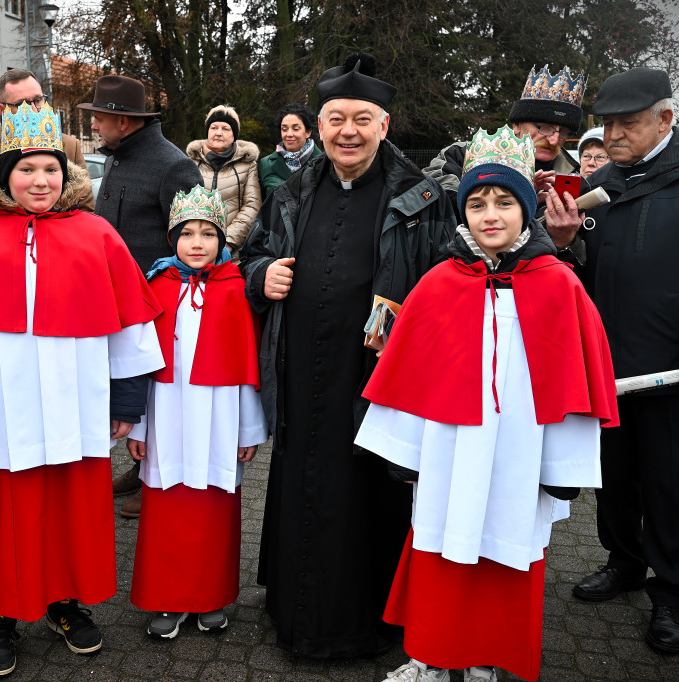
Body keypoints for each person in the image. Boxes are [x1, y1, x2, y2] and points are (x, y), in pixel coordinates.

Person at [355, 127, 618, 682]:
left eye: (504, 201)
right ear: (462, 210)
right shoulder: (438, 284)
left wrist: (562, 466)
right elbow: (407, 374)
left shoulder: (559, 284)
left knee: (506, 553)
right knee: (437, 551)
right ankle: (430, 656)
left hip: (518, 455)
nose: (489, 214)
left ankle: (484, 660)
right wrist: (405, 454)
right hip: (449, 451)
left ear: (528, 210)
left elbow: (578, 379)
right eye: (476, 203)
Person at [0, 103, 164, 676]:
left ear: (68, 175)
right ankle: (1, 617)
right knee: (12, 518)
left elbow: (132, 325)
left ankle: (64, 602)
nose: (40, 181)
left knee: (71, 513)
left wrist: (128, 400)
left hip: (78, 410)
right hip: (5, 413)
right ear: (4, 174)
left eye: (51, 170)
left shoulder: (98, 235)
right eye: (27, 169)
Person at [239, 52, 455, 657]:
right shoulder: (290, 191)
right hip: (301, 369)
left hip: (376, 378)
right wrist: (261, 276)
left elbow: (454, 277)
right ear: (319, 125)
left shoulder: (422, 197)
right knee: (302, 478)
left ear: (385, 125)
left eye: (363, 119)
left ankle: (362, 623)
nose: (348, 131)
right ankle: (294, 609)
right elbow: (248, 254)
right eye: (336, 118)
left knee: (367, 493)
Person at [549, 67, 679, 656]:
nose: (614, 135)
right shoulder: (605, 183)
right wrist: (565, 245)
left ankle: (670, 595)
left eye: (629, 123)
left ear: (666, 119)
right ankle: (624, 562)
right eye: (608, 125)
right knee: (616, 479)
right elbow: (582, 276)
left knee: (673, 487)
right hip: (610, 370)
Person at [126, 186, 267, 638]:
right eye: (188, 233)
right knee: (167, 510)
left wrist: (248, 431)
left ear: (222, 240)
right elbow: (141, 368)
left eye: (209, 234)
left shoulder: (235, 290)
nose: (198, 243)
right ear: (173, 239)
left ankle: (210, 597)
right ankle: (167, 599)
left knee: (213, 510)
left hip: (219, 421)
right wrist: (139, 425)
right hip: (165, 417)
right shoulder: (156, 287)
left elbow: (247, 367)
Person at [78, 74, 203, 519]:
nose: (93, 124)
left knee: (156, 393)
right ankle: (138, 464)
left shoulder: (172, 165)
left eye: (98, 116)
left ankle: (155, 478)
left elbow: (198, 235)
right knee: (130, 391)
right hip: (114, 298)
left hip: (157, 303)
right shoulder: (115, 159)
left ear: (123, 120)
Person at [425, 65, 584, 223]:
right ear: (516, 125)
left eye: (563, 131)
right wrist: (514, 192)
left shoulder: (575, 179)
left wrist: (565, 240)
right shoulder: (459, 154)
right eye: (544, 127)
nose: (554, 140)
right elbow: (431, 193)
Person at [0, 68, 92, 220]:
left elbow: (85, 207)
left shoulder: (70, 145)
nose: (34, 110)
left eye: (38, 100)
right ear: (2, 110)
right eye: (21, 104)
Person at [185, 106, 262, 257]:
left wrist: (227, 242)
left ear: (235, 135)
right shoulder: (190, 163)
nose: (219, 132)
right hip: (193, 250)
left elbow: (252, 206)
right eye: (214, 127)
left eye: (226, 128)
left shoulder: (248, 166)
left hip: (232, 254)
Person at [258, 102, 324, 199]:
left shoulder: (325, 163)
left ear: (308, 132)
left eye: (296, 129)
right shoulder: (265, 164)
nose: (289, 134)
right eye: (284, 129)